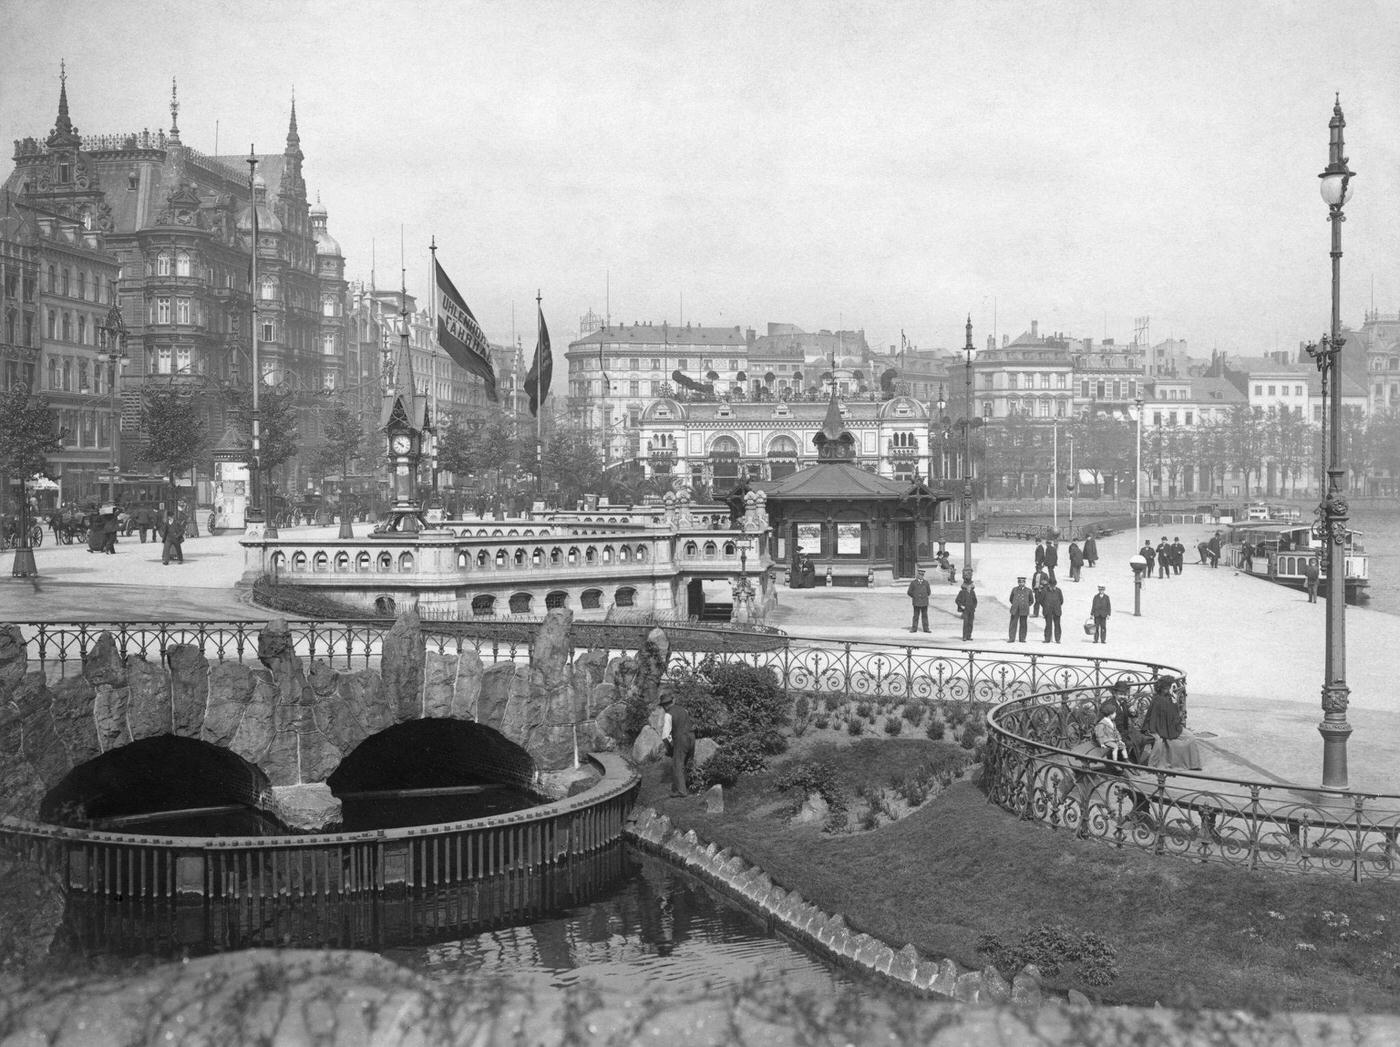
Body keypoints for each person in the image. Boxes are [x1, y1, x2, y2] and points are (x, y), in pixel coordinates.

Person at [1142, 675, 1203, 770]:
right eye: (1172, 687)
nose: (1173, 689)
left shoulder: (1170, 698)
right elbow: (1153, 718)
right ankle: (1177, 764)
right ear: (1166, 688)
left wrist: (1174, 702)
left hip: (1172, 727)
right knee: (1169, 743)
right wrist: (1154, 731)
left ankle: (1193, 764)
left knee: (1191, 737)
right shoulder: (1158, 700)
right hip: (1161, 729)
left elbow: (1175, 718)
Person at [659, 689, 695, 797]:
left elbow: (665, 736)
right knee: (688, 762)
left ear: (664, 706)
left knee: (677, 764)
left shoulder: (668, 714)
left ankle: (681, 791)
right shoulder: (684, 710)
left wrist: (669, 749)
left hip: (681, 739)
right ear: (672, 702)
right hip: (692, 737)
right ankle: (690, 786)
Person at [1007, 575, 1033, 643]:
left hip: (1024, 609)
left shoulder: (1028, 590)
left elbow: (1031, 600)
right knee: (1013, 624)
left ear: (1024, 583)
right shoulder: (1014, 589)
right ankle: (1011, 638)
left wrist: (1026, 605)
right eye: (1019, 582)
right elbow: (1011, 599)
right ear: (1018, 583)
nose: (1021, 583)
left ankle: (1022, 638)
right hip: (1015, 609)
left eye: (1022, 582)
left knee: (1023, 624)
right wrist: (1015, 604)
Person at [906, 567, 931, 633]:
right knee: (916, 616)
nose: (921, 576)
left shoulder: (926, 583)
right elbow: (909, 592)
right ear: (917, 575)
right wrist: (915, 596)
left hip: (924, 602)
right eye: (920, 575)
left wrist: (923, 597)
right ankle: (914, 628)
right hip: (916, 602)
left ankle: (926, 628)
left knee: (925, 616)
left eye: (922, 575)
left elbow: (929, 592)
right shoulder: (913, 583)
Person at [1040, 577, 1063, 643]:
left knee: (1057, 625)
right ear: (1048, 584)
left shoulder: (1058, 591)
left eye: (1054, 585)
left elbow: (1061, 600)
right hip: (1048, 610)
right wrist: (1046, 606)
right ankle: (1047, 639)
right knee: (1048, 625)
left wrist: (1056, 606)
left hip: (1056, 610)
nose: (1052, 586)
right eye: (1051, 585)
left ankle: (1057, 639)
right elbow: (1041, 600)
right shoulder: (1044, 590)